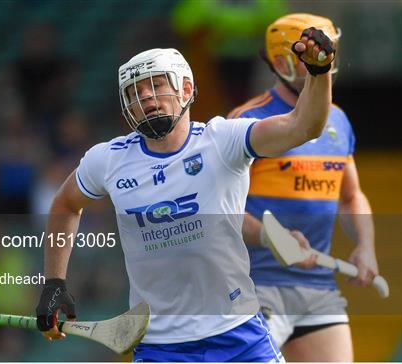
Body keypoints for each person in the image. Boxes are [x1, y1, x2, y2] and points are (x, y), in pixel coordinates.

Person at [36, 27, 335, 362]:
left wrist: (318, 73)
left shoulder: (223, 140)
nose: (146, 96)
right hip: (159, 347)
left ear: (187, 89)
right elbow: (64, 204)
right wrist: (54, 282)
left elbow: (304, 126)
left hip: (238, 336)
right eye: (135, 90)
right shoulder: (107, 159)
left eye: (157, 84)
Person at [228, 14, 379, 362]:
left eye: (328, 52)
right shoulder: (249, 121)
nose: (323, 61)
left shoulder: (337, 118)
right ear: (281, 62)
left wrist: (367, 246)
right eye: (310, 54)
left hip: (318, 289)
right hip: (256, 287)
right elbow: (223, 210)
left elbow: (351, 194)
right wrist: (274, 237)